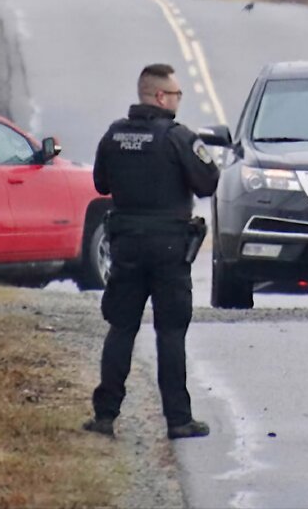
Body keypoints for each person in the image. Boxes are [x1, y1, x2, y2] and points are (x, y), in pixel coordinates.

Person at [83, 63, 220, 440]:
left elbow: (100, 183)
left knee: (121, 327)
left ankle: (105, 415)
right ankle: (178, 419)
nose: (178, 100)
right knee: (171, 332)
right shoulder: (178, 138)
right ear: (161, 97)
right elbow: (209, 182)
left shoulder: (114, 136)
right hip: (170, 246)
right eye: (176, 94)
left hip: (125, 244)